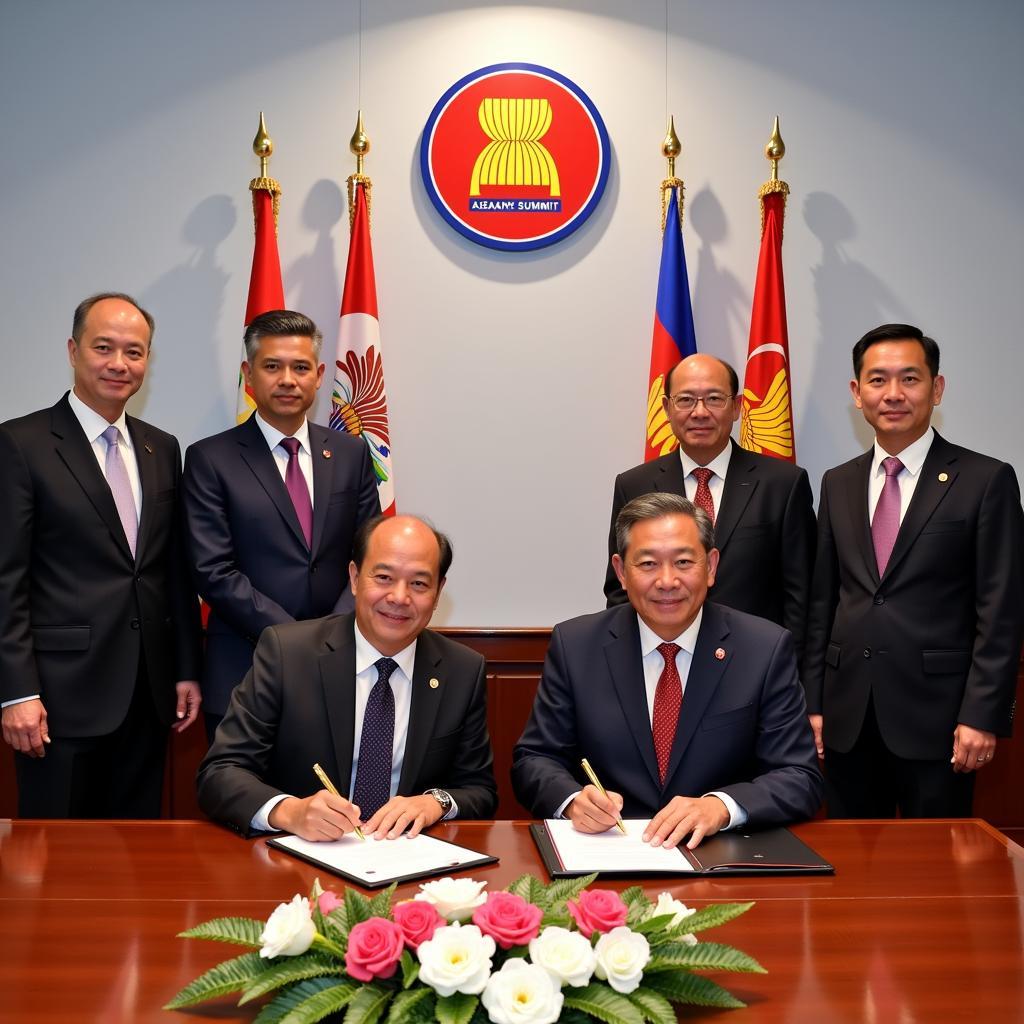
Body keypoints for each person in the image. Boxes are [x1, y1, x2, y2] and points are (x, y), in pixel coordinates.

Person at [514, 492, 821, 849]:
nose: (666, 581)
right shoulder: (577, 644)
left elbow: (800, 776)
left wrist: (720, 807)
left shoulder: (763, 648)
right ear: (621, 572)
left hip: (722, 856)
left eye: (683, 562)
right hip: (611, 851)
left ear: (711, 567)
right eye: (647, 564)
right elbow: (534, 759)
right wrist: (571, 800)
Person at [803, 323, 1024, 818]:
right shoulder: (837, 483)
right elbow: (823, 603)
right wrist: (812, 702)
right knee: (852, 877)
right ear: (857, 394)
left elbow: (1002, 611)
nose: (894, 394)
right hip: (847, 718)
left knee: (938, 875)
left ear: (936, 388)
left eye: (910, 378)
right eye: (878, 381)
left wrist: (981, 715)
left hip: (942, 722)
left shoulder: (986, 480)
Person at [0, 292, 202, 817]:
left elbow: (170, 570)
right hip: (58, 700)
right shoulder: (21, 444)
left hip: (149, 696)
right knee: (57, 863)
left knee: (139, 863)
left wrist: (184, 669)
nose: (119, 364)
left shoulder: (163, 447)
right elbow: (6, 580)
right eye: (104, 348)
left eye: (134, 352)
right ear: (73, 350)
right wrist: (16, 693)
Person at [197, 514, 497, 840]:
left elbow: (479, 790)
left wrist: (434, 802)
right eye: (383, 577)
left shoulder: (461, 670)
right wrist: (290, 811)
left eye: (419, 584)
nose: (399, 597)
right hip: (301, 862)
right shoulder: (288, 653)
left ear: (439, 593)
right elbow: (220, 772)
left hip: (407, 861)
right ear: (355, 578)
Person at [182, 309, 379, 739]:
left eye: (300, 367)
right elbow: (213, 570)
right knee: (239, 801)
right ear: (248, 374)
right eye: (272, 366)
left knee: (329, 804)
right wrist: (298, 641)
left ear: (319, 375)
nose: (287, 379)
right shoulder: (209, 458)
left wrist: (333, 636)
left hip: (342, 667)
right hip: (244, 669)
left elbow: (371, 557)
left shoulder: (351, 454)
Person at [604, 353, 816, 660]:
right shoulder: (634, 485)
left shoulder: (783, 483)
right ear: (666, 408)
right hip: (662, 662)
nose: (700, 412)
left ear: (737, 407)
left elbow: (801, 596)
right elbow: (620, 589)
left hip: (755, 665)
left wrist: (791, 678)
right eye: (686, 399)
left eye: (714, 398)